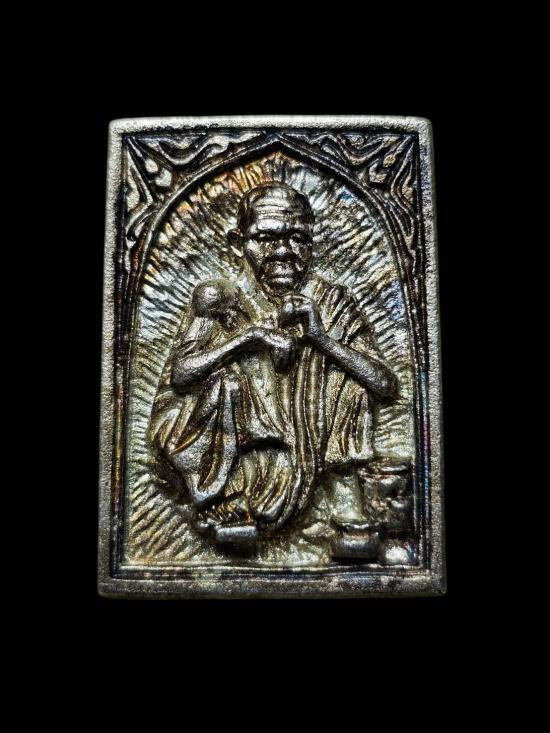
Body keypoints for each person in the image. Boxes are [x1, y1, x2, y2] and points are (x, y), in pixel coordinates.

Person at [149, 182, 396, 555]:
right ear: (238, 243)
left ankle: (344, 502)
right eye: (266, 238)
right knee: (223, 382)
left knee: (351, 381)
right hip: (238, 449)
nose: (283, 252)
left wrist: (321, 339)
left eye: (298, 238)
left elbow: (385, 385)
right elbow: (182, 375)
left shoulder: (331, 301)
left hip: (308, 446)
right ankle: (222, 502)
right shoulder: (219, 297)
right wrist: (248, 338)